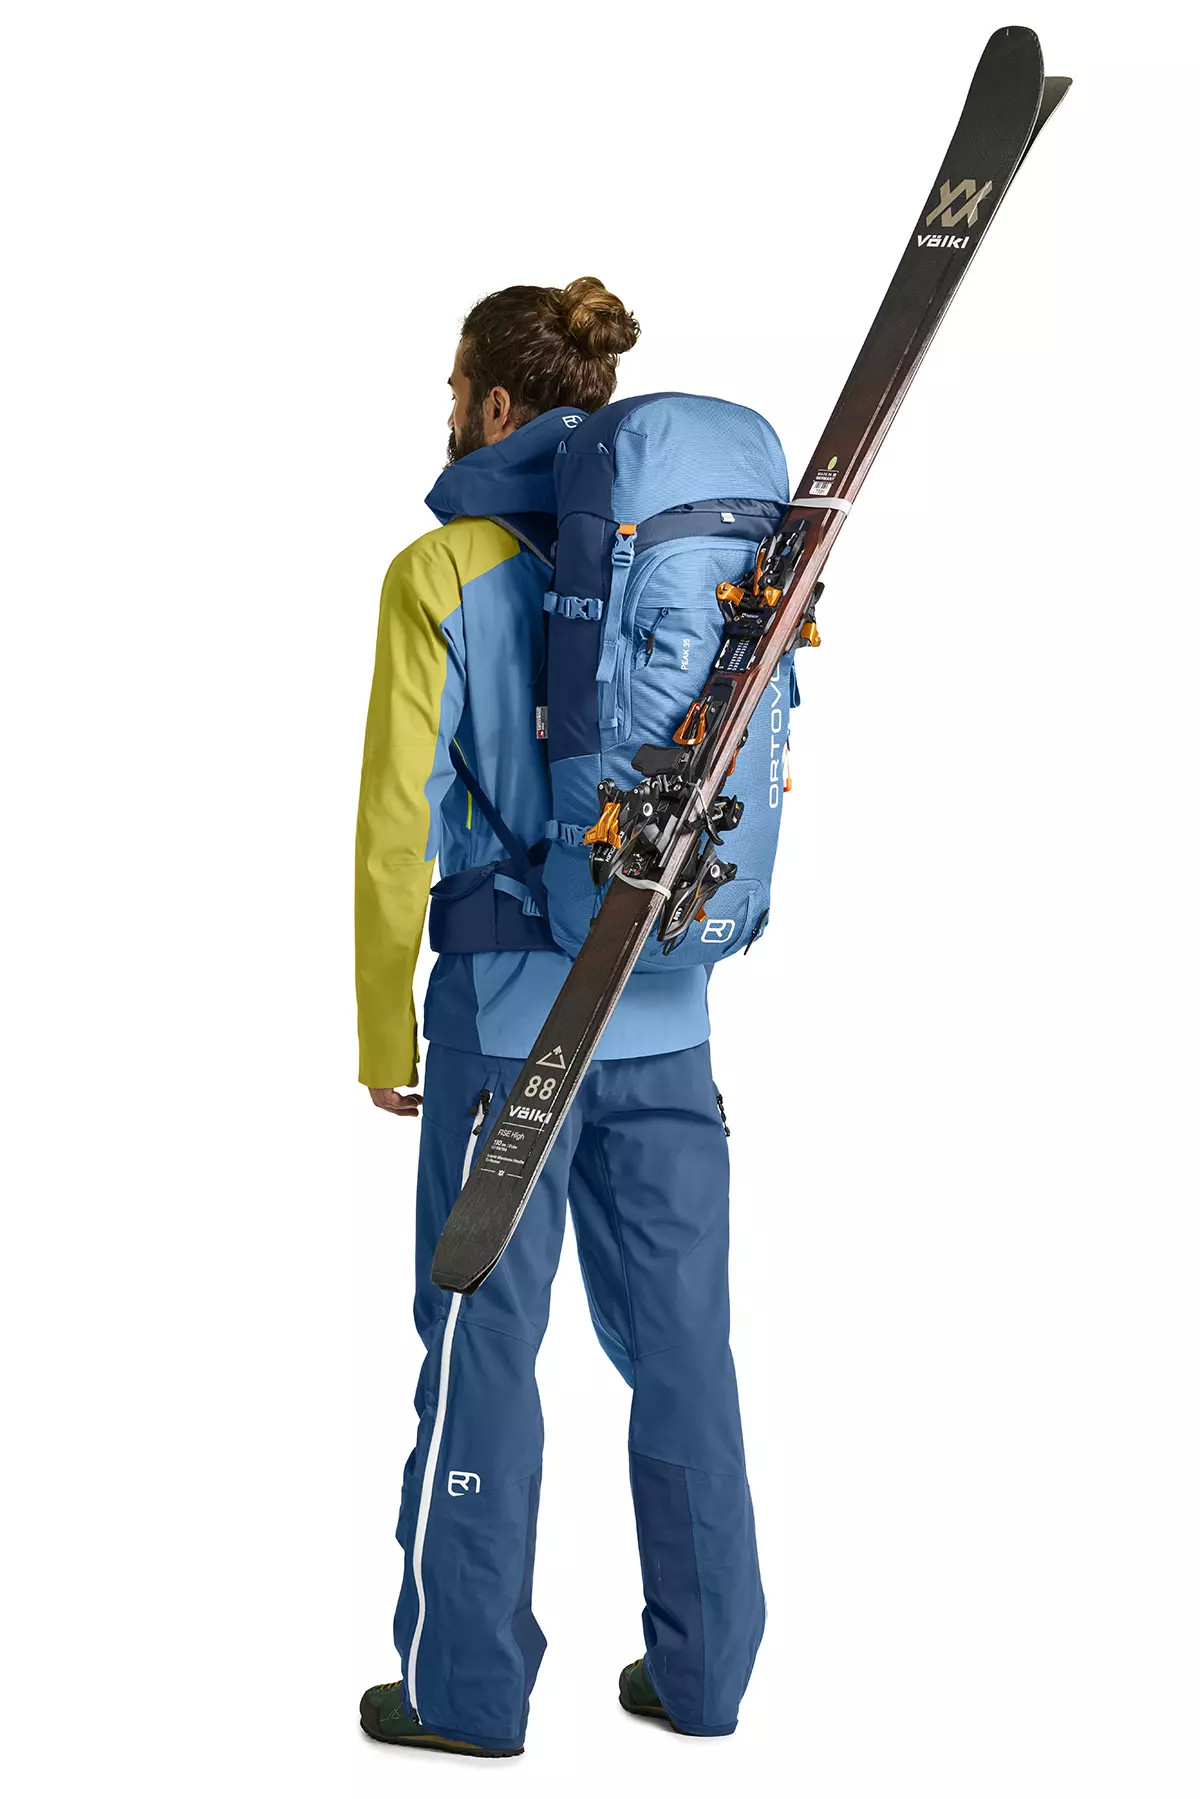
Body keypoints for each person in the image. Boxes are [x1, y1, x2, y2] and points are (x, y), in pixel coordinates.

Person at [355, 278, 764, 1756]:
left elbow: (394, 827)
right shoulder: (686, 555)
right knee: (686, 1347)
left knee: (483, 1349)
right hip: (668, 1018)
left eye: (451, 389)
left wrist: (382, 1031)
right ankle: (707, 1676)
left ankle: (462, 1692)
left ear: (493, 405)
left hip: (507, 1030)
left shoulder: (442, 568)